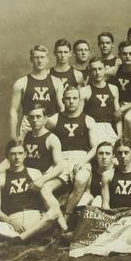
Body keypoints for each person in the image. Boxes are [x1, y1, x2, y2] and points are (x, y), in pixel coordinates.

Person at [43, 86, 98, 222]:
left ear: (80, 100)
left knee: (80, 180)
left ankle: (66, 217)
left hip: (81, 158)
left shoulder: (88, 119)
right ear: (63, 100)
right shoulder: (53, 120)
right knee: (44, 187)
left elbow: (95, 147)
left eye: (74, 98)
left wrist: (84, 160)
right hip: (60, 160)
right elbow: (44, 139)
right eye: (68, 98)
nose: (71, 101)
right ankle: (56, 218)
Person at [0, 140, 65, 243]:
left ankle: (19, 239)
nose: (17, 157)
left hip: (35, 221)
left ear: (25, 155)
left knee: (54, 211)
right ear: (7, 156)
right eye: (13, 154)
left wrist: (47, 213)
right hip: (12, 223)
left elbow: (45, 199)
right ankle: (28, 237)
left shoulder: (35, 173)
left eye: (20, 153)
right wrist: (11, 222)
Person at [0, 104, 64, 186]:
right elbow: (9, 160)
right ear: (28, 119)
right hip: (23, 176)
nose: (35, 120)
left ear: (45, 119)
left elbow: (59, 167)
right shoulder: (25, 136)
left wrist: (42, 180)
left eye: (38, 117)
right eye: (32, 117)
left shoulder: (52, 139)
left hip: (39, 178)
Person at [9, 44, 64, 141]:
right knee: (26, 154)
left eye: (42, 57)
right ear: (31, 59)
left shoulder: (57, 82)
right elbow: (14, 111)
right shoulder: (21, 82)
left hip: (50, 123)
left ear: (47, 59)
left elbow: (62, 109)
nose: (39, 61)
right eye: (36, 57)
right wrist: (13, 136)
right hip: (28, 125)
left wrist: (59, 127)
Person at [80, 57, 122, 143]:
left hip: (110, 128)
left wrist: (119, 135)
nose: (97, 72)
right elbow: (79, 116)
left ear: (105, 69)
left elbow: (118, 116)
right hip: (92, 128)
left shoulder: (114, 89)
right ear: (90, 71)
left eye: (100, 69)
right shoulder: (84, 91)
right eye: (94, 69)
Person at [101, 138, 131, 209]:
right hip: (113, 216)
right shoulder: (107, 175)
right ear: (115, 155)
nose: (123, 156)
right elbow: (105, 204)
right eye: (119, 153)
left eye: (126, 152)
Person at [76, 141, 116, 207]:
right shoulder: (92, 170)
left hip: (110, 205)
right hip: (92, 206)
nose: (104, 157)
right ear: (96, 156)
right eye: (101, 153)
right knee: (86, 197)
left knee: (98, 199)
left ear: (113, 156)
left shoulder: (116, 170)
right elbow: (88, 193)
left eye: (107, 153)